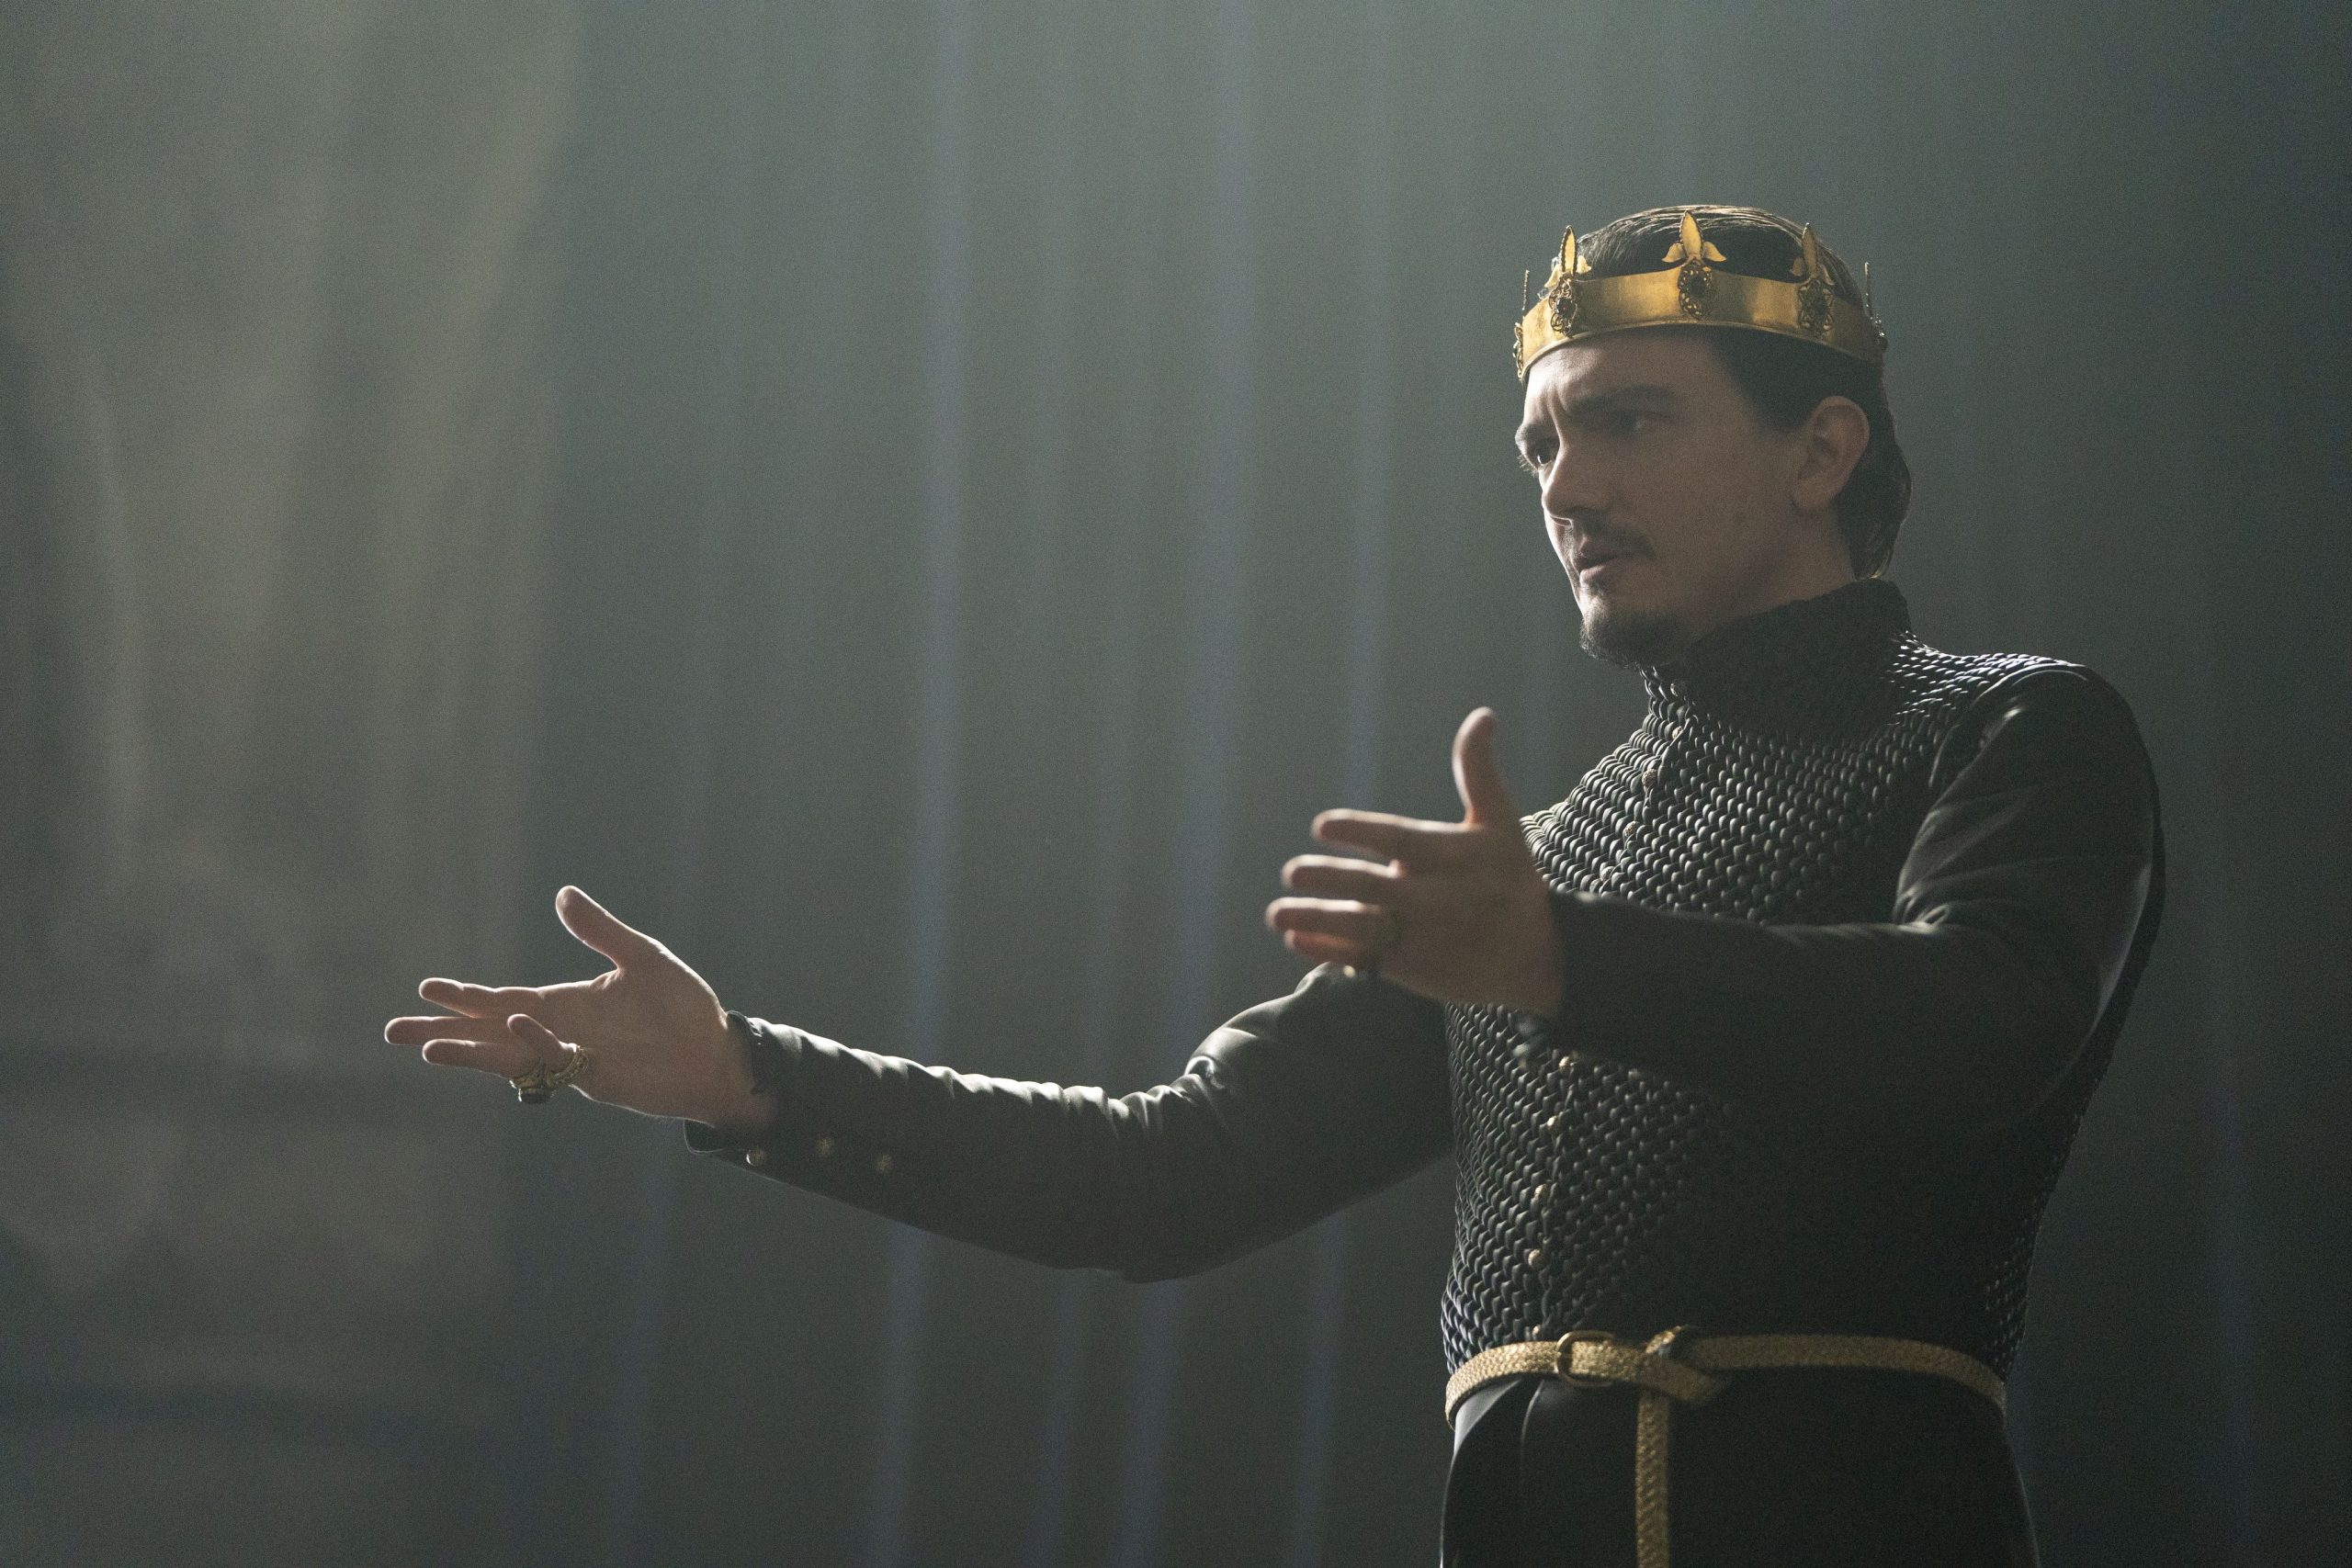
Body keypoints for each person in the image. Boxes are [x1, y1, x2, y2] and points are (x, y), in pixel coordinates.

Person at [387, 205, 2163, 1567]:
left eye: (1628, 421)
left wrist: (1561, 962)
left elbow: (1981, 1026)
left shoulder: (2007, 729)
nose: (1569, 485)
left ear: (1821, 453)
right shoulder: (1543, 868)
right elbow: (1170, 1173)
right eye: (1544, 445)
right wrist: (752, 1079)